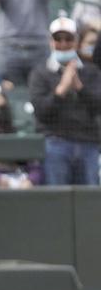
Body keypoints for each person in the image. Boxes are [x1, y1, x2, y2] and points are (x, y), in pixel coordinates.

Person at [29, 17, 101, 186]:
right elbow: (41, 111)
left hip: (87, 143)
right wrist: (60, 90)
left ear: (76, 41)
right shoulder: (40, 73)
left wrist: (79, 88)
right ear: (50, 42)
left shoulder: (91, 71)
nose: (63, 44)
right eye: (58, 39)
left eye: (68, 39)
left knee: (89, 203)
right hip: (55, 142)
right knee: (57, 202)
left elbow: (99, 105)